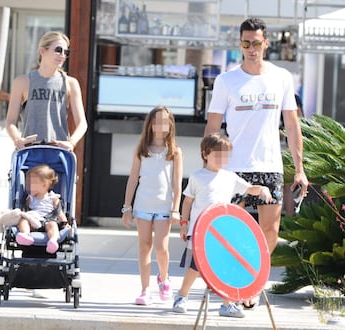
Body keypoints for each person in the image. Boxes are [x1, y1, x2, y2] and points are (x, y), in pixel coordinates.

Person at [204, 17, 309, 308]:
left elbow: (292, 124)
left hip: (270, 166)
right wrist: (210, 164)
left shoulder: (282, 78)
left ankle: (251, 284)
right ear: (240, 44)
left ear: (266, 44)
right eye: (246, 43)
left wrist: (299, 168)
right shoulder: (226, 81)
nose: (251, 48)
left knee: (270, 233)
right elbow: (213, 127)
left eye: (257, 43)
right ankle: (231, 285)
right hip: (234, 168)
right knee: (228, 231)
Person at [172, 134, 272, 317]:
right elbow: (187, 203)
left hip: (222, 232)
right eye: (217, 154)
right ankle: (181, 296)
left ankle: (227, 304)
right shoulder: (197, 177)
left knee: (224, 267)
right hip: (200, 231)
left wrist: (263, 189)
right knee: (196, 266)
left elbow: (250, 189)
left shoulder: (230, 177)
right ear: (205, 154)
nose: (221, 159)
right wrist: (184, 224)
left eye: (225, 155)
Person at [122, 106, 183, 306]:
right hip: (143, 205)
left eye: (165, 121)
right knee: (144, 246)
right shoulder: (142, 150)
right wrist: (127, 207)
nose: (161, 126)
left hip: (164, 208)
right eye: (157, 121)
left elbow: (177, 183)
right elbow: (132, 179)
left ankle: (164, 279)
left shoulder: (174, 152)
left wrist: (175, 208)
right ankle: (145, 289)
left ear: (170, 125)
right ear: (150, 124)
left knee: (161, 247)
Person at [5, 31, 87, 152]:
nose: (62, 55)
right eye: (58, 50)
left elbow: (82, 123)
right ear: (42, 51)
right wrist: (18, 140)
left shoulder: (70, 83)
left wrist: (71, 143)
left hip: (58, 151)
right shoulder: (22, 82)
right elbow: (10, 122)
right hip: (30, 150)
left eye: (66, 52)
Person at [16, 164, 67, 254]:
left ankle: (53, 241)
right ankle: (25, 235)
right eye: (29, 183)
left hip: (48, 220)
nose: (30, 185)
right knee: (23, 219)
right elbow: (25, 210)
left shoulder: (53, 198)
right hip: (33, 222)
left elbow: (59, 212)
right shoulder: (30, 198)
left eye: (33, 183)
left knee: (53, 225)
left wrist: (65, 223)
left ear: (44, 185)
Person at [282, 94, 303, 215]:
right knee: (287, 185)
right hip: (286, 146)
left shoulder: (292, 97)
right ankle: (289, 218)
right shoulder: (292, 97)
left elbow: (298, 119)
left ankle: (289, 217)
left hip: (289, 147)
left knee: (288, 185)